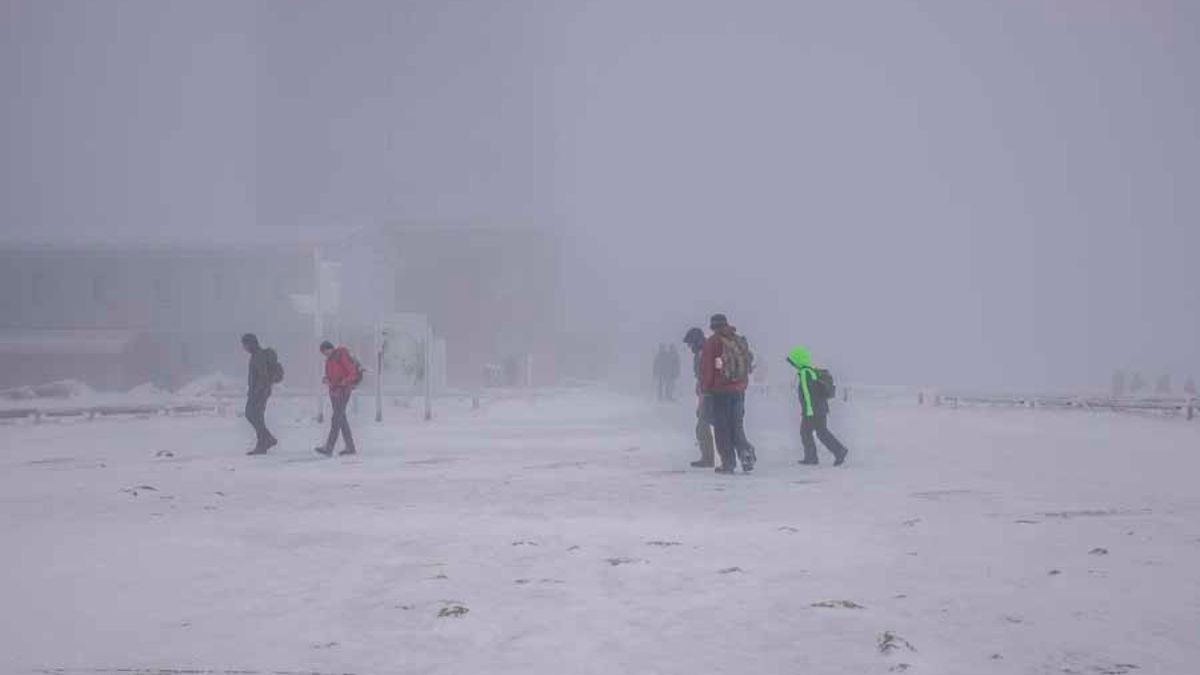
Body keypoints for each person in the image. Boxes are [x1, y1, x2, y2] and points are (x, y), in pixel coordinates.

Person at [700, 314, 753, 473]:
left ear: (713, 326)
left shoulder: (713, 342)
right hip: (738, 391)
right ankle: (746, 455)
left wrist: (706, 388)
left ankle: (728, 463)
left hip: (720, 392)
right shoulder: (738, 340)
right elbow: (748, 363)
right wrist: (741, 385)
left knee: (722, 429)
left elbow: (708, 368)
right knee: (737, 426)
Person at [787, 345, 849, 466]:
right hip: (819, 409)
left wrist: (809, 412)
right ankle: (837, 451)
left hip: (813, 410)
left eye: (793, 361)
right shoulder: (810, 371)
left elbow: (807, 394)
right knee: (820, 432)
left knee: (806, 433)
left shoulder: (805, 373)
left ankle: (815, 457)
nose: (793, 364)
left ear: (798, 360)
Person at [315, 340, 360, 457]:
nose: (324, 354)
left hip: (343, 391)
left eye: (325, 351)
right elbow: (332, 376)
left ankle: (329, 447)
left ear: (329, 348)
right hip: (334, 392)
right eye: (323, 353)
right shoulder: (329, 360)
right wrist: (327, 379)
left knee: (336, 419)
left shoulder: (341, 355)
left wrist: (344, 381)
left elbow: (353, 372)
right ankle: (350, 447)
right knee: (341, 419)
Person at [241, 333, 278, 455]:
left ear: (251, 343)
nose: (244, 347)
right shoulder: (256, 355)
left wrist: (256, 392)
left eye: (245, 344)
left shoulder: (258, 356)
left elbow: (263, 376)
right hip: (259, 391)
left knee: (251, 414)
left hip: (259, 392)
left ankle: (267, 440)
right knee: (257, 417)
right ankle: (263, 443)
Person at [683, 327, 715, 468]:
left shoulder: (704, 354)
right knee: (705, 425)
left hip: (709, 395)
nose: (690, 347)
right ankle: (712, 458)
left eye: (690, 344)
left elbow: (706, 377)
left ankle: (709, 458)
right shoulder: (705, 352)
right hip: (709, 394)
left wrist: (703, 396)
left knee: (702, 426)